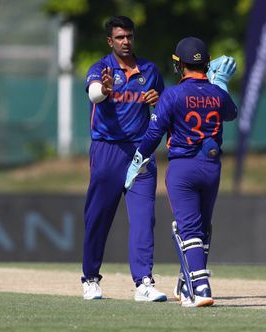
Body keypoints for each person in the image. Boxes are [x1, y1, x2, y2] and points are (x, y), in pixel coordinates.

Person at [125, 37, 237, 307]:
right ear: (207, 64)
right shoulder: (217, 93)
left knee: (188, 230)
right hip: (211, 167)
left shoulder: (172, 95)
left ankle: (201, 286)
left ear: (179, 66)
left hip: (183, 168)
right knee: (202, 228)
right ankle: (187, 284)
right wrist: (219, 82)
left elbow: (154, 133)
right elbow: (231, 112)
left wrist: (138, 159)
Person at [81, 15, 167, 302]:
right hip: (107, 151)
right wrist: (104, 90)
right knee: (98, 217)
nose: (126, 41)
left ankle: (143, 282)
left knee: (144, 218)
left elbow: (163, 109)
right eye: (120, 37)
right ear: (110, 41)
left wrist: (157, 101)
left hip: (140, 152)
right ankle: (90, 279)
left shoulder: (150, 70)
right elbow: (94, 94)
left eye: (129, 36)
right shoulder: (101, 68)